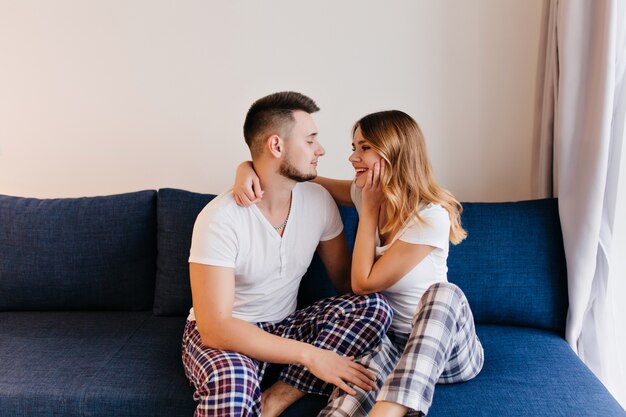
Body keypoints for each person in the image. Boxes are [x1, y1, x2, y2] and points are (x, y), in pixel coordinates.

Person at [234, 110, 484, 416]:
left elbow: (363, 284)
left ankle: (388, 411)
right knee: (354, 382)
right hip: (389, 344)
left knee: (443, 294)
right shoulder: (364, 193)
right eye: (354, 148)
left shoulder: (430, 215)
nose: (353, 157)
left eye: (364, 147)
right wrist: (247, 167)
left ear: (395, 150)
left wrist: (368, 210)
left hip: (446, 352)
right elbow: (300, 177)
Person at [182, 91, 393, 417]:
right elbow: (215, 327)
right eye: (310, 140)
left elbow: (347, 286)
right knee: (234, 381)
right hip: (230, 335)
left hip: (286, 325)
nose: (320, 149)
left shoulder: (318, 201)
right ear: (277, 146)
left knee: (374, 306)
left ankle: (279, 395)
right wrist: (312, 356)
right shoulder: (220, 218)